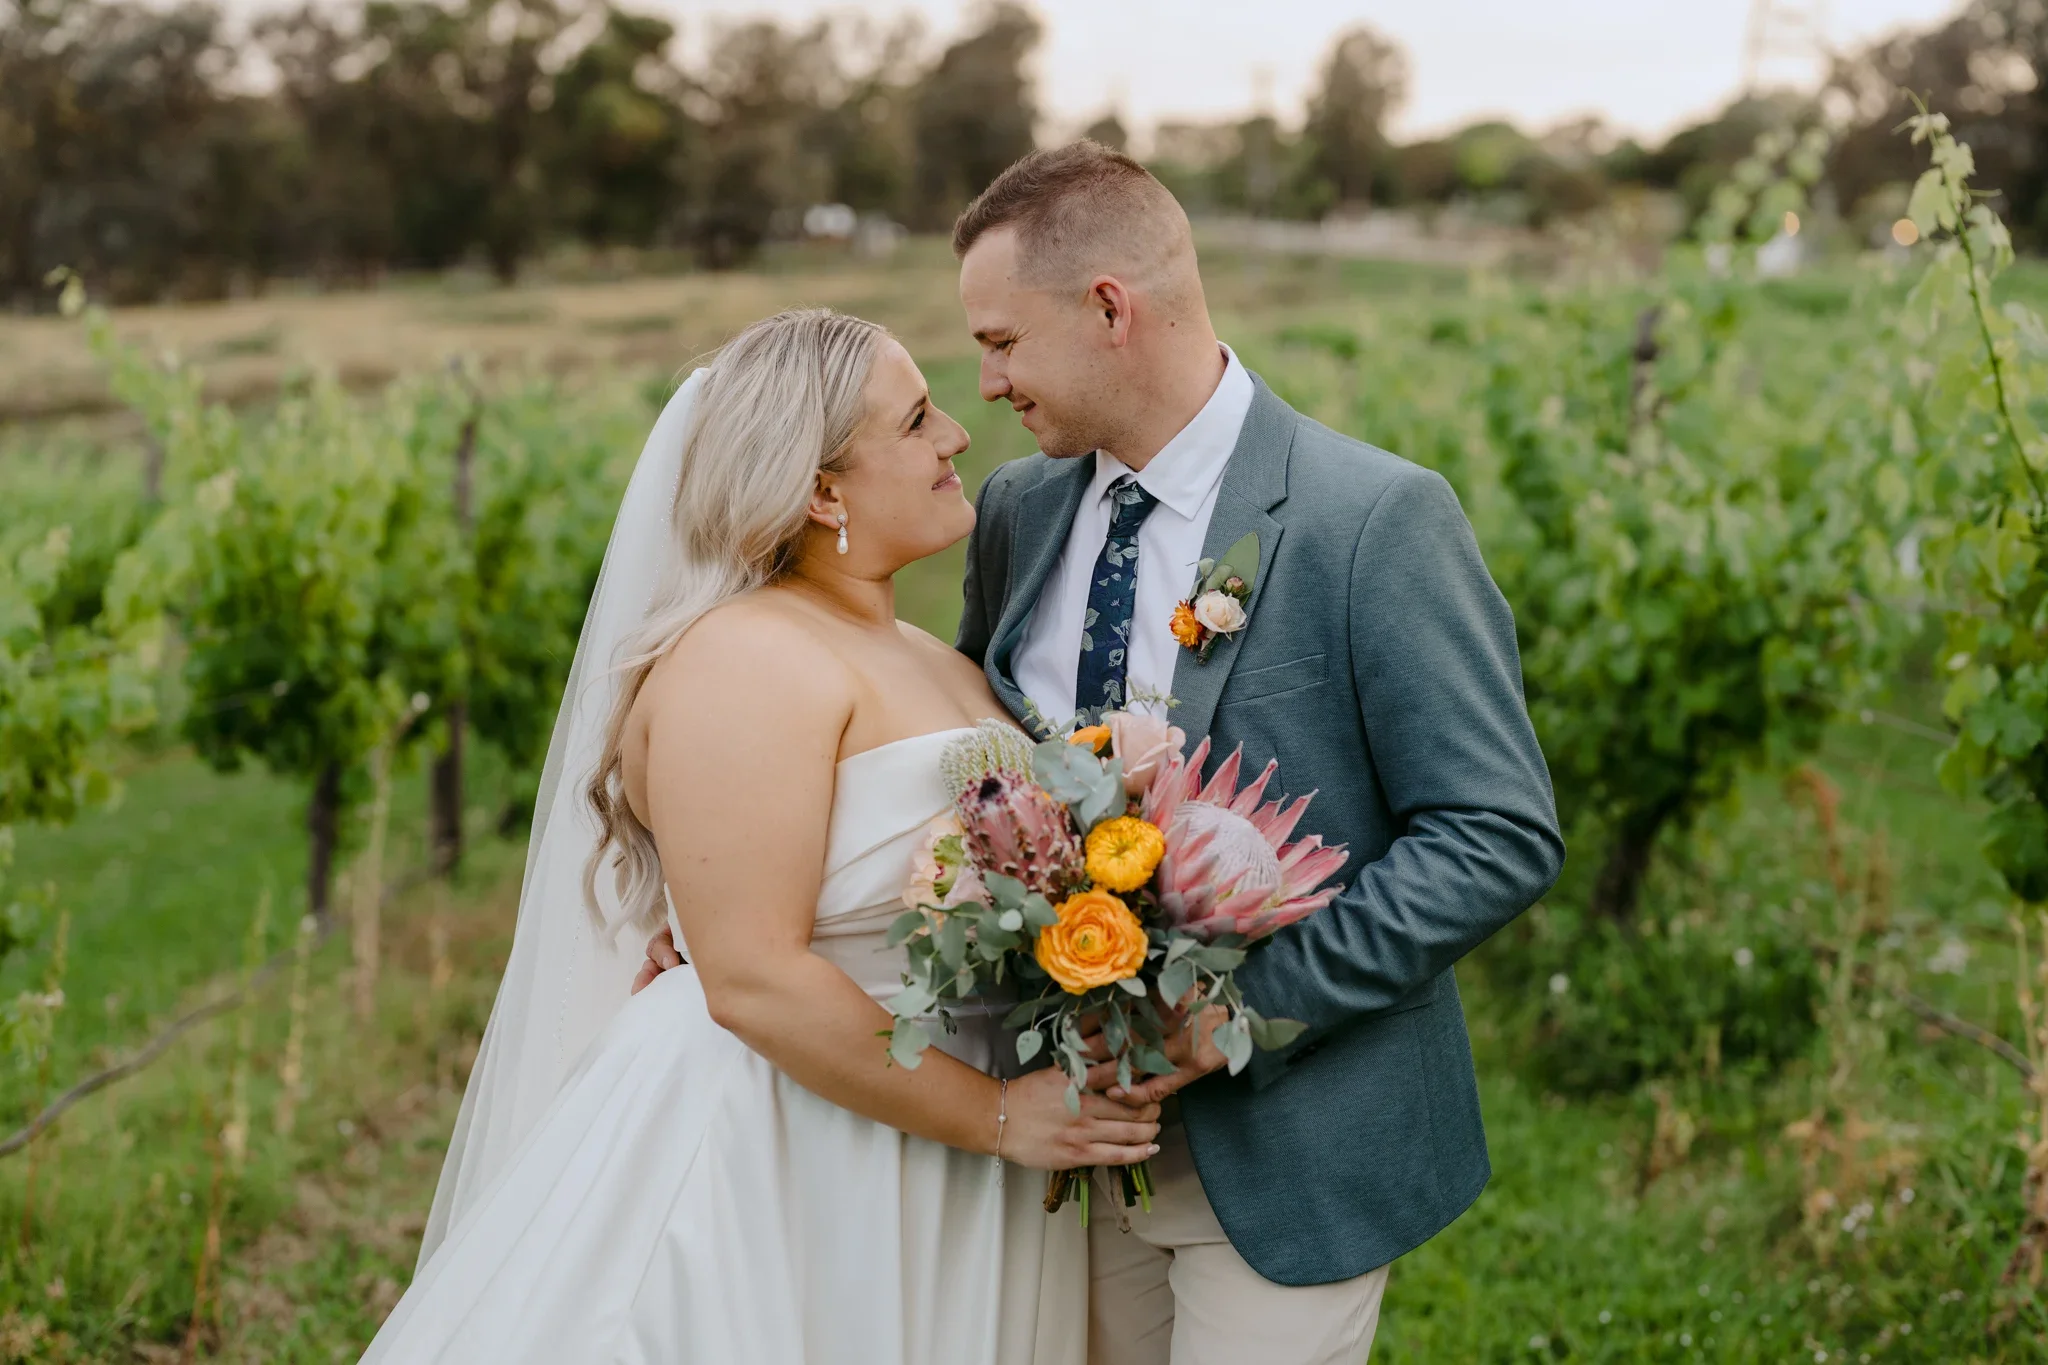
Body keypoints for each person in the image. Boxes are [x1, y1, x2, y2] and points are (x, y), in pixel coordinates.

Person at [648, 141, 1564, 1364]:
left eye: (1001, 342)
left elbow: (1491, 833)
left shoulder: (1372, 521)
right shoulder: (1017, 517)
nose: (984, 387)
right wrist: (760, 906)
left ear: (1108, 309)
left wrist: (1231, 1010)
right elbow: (962, 787)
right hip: (1058, 1151)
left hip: (1292, 1134)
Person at [372, 308, 1162, 1365]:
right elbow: (750, 979)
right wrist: (999, 1119)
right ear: (822, 489)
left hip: (940, 1132)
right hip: (792, 1142)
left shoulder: (930, 654)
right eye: (916, 419)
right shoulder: (743, 661)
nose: (956, 438)